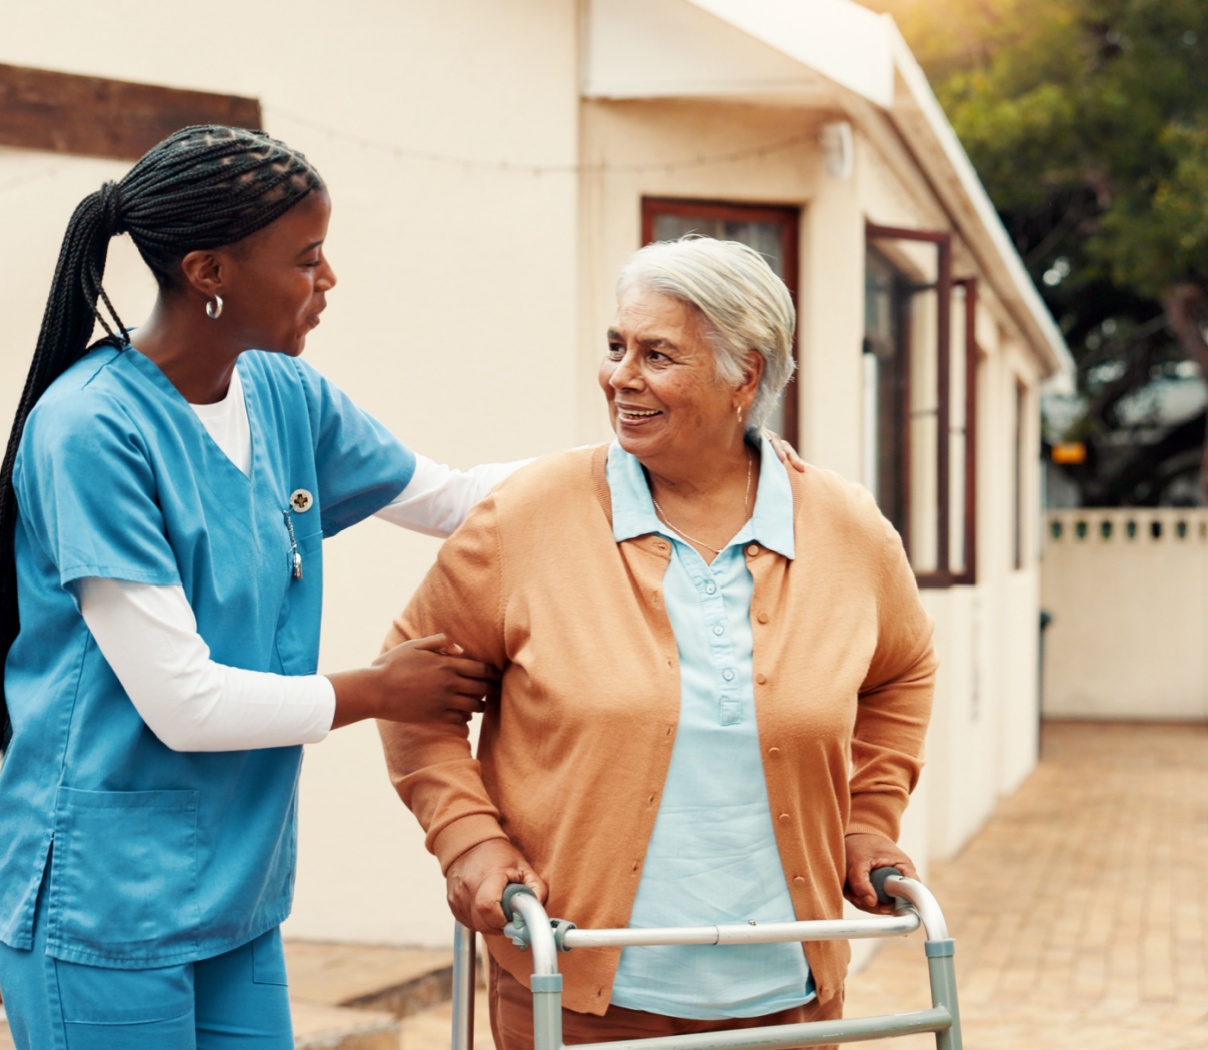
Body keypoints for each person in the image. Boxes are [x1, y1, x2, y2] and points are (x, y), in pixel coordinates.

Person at [0, 125, 529, 1050]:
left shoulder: (282, 394)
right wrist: (378, 691)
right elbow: (182, 704)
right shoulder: (91, 431)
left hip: (236, 885)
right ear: (208, 271)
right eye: (307, 258)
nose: (329, 280)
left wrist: (641, 460)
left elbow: (456, 499)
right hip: (105, 899)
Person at [379, 237, 939, 1050]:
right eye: (616, 347)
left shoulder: (847, 532)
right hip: (575, 986)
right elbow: (411, 695)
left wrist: (867, 818)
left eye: (658, 354)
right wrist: (470, 839)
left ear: (744, 375)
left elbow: (905, 670)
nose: (620, 377)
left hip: (788, 999)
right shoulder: (527, 516)